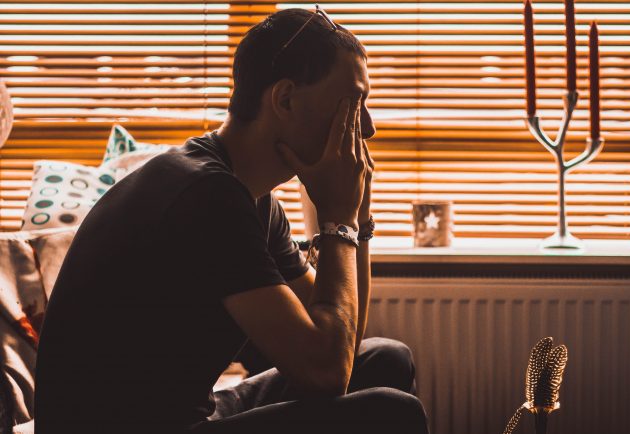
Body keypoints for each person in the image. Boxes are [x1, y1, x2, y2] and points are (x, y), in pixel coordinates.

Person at [34, 7, 429, 434]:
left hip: (185, 415)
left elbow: (341, 346)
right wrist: (338, 221)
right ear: (285, 99)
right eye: (353, 103)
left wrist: (357, 219)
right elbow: (326, 371)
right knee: (393, 412)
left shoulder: (250, 199)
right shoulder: (205, 195)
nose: (367, 128)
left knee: (386, 357)